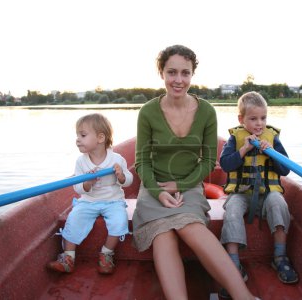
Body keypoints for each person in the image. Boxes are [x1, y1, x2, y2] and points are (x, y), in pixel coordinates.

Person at [132, 45, 259, 300]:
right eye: (172, 72)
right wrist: (158, 191)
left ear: (192, 75)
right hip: (154, 186)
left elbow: (208, 160)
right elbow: (142, 162)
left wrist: (180, 186)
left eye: (185, 73)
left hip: (190, 185)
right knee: (163, 234)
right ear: (162, 74)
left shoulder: (207, 112)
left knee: (190, 226)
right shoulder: (147, 112)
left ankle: (243, 297)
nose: (178, 80)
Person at [219, 91, 299, 296]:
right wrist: (243, 150)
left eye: (263, 118)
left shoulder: (272, 138)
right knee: (233, 209)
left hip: (267, 193)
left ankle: (279, 257)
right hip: (241, 193)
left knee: (278, 203)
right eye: (253, 119)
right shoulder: (235, 138)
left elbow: (285, 170)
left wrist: (272, 153)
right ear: (241, 119)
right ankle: (234, 263)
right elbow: (226, 165)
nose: (259, 124)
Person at [47, 113, 133, 274]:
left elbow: (129, 180)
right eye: (77, 135)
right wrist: (87, 183)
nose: (77, 139)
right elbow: (77, 187)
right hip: (88, 201)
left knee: (119, 220)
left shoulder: (117, 159)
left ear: (100, 138)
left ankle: (106, 254)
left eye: (83, 135)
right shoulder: (81, 161)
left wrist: (121, 175)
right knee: (74, 219)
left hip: (113, 201)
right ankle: (68, 257)